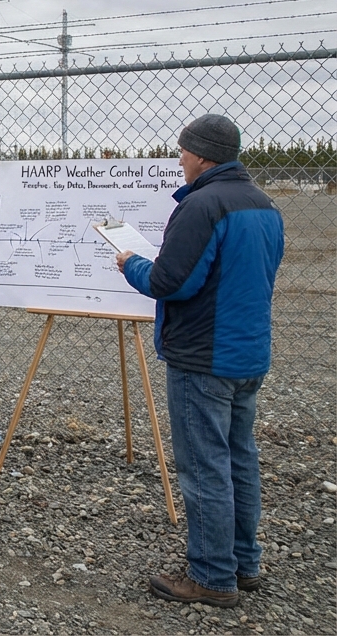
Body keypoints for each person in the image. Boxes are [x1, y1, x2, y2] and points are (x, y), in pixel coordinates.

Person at [117, 114, 284, 608]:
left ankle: (212, 576)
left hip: (202, 355)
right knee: (238, 458)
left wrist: (132, 265)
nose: (181, 160)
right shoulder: (263, 203)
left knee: (204, 467)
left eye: (184, 151)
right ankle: (243, 562)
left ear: (203, 155)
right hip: (247, 352)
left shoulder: (201, 206)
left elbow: (173, 282)